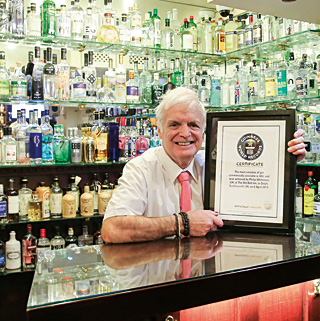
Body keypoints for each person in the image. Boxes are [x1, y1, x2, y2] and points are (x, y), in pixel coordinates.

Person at [102, 87, 306, 244]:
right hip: (156, 282)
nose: (185, 133)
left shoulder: (218, 165)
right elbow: (113, 230)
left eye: (193, 125)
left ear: (204, 131)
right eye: (174, 124)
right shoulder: (140, 169)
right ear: (160, 130)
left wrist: (283, 160)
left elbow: (258, 194)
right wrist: (183, 223)